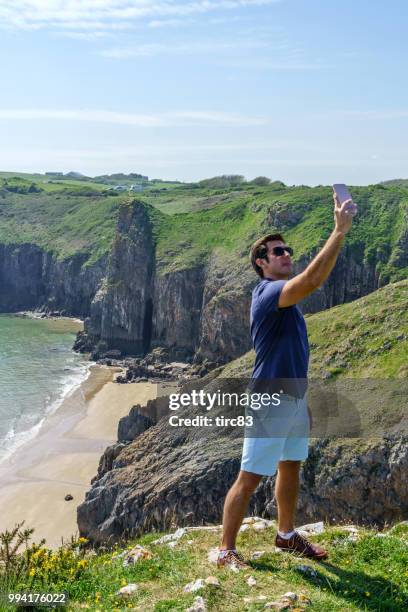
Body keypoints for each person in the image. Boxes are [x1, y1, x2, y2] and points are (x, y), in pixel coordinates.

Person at [217, 193, 355, 569]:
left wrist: (302, 399)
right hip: (268, 399)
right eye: (278, 251)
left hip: (291, 398)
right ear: (261, 263)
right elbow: (312, 279)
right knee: (249, 477)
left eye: (287, 249)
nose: (286, 254)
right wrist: (339, 231)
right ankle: (226, 550)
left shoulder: (285, 302)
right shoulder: (268, 294)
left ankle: (286, 535)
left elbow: (292, 355)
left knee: (290, 465)